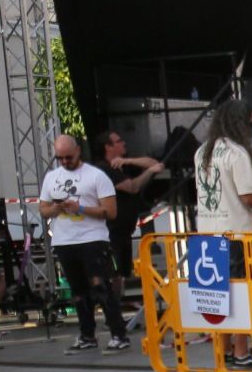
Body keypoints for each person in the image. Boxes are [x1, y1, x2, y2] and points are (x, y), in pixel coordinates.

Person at [194, 100, 252, 366]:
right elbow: (248, 196)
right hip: (238, 235)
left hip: (207, 234)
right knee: (244, 294)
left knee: (218, 297)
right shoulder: (236, 153)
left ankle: (226, 349)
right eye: (250, 122)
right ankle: (242, 352)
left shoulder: (202, 151)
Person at [38, 134, 131, 354]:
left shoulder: (96, 176)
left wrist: (80, 208)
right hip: (64, 240)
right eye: (60, 158)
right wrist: (56, 209)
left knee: (101, 286)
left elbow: (110, 211)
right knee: (78, 290)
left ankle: (118, 334)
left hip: (92, 239)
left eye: (68, 157)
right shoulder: (51, 177)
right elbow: (43, 209)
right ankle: (87, 334)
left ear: (78, 151)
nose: (64, 162)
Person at [98, 128, 166, 284]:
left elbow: (155, 164)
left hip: (125, 230)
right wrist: (149, 171)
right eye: (119, 141)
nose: (124, 143)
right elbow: (132, 187)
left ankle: (119, 292)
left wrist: (129, 161)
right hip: (111, 231)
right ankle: (112, 296)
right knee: (114, 273)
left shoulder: (123, 164)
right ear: (108, 147)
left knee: (123, 272)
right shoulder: (104, 169)